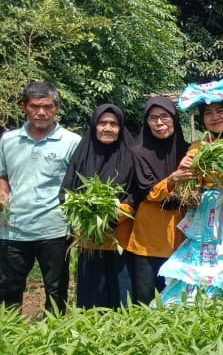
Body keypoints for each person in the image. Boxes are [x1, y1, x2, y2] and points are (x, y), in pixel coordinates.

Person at [157, 80, 223, 304]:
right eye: (208, 113)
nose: (215, 117)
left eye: (220, 111)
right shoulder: (199, 146)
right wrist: (185, 169)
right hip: (208, 212)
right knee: (205, 256)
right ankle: (199, 303)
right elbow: (189, 182)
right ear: (202, 119)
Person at [0, 81, 81, 314]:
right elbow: (3, 175)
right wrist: (3, 192)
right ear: (23, 106)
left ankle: (54, 330)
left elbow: (79, 183)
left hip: (55, 228)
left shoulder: (71, 141)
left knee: (56, 289)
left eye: (48, 106)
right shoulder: (8, 140)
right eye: (35, 106)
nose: (42, 112)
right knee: (8, 287)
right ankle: (11, 330)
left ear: (57, 108)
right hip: (13, 228)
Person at [61, 104, 135, 309]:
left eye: (113, 124)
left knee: (123, 295)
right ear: (94, 126)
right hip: (89, 240)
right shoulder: (82, 154)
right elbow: (66, 191)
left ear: (121, 128)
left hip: (121, 239)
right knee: (92, 296)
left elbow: (138, 192)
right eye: (102, 123)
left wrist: (116, 213)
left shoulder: (131, 154)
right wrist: (84, 214)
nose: (108, 128)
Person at [125, 96, 191, 305]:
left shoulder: (188, 151)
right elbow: (146, 190)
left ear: (174, 119)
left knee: (180, 298)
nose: (159, 123)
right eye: (153, 118)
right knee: (146, 296)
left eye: (164, 116)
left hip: (182, 233)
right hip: (149, 235)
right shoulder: (137, 153)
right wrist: (172, 180)